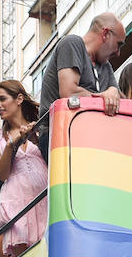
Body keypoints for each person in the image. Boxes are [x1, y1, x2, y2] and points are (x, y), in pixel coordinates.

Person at [38, 11, 125, 155]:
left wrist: (113, 92)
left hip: (93, 136)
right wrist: (105, 96)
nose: (118, 53)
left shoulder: (105, 66)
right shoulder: (72, 43)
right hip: (60, 134)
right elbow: (69, 93)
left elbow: (120, 101)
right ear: (105, 34)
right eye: (118, 44)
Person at [0, 79, 49, 257]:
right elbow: (2, 174)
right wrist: (11, 144)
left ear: (19, 99)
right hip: (17, 202)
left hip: (45, 197)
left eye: (2, 99)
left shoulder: (41, 126)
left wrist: (34, 137)